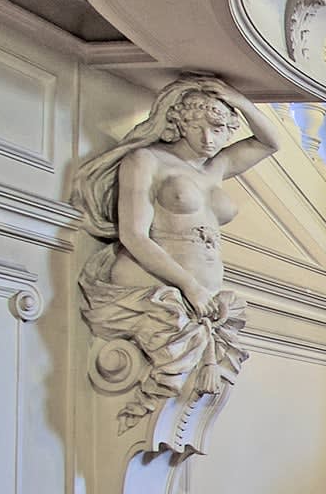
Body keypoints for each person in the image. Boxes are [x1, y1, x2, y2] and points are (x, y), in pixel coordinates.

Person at [70, 75, 282, 430]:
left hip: (206, 300)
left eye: (220, 130)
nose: (209, 140)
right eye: (201, 128)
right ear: (179, 121)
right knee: (166, 393)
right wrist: (189, 286)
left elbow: (270, 142)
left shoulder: (215, 167)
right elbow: (133, 236)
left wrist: (240, 102)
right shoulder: (145, 161)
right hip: (165, 290)